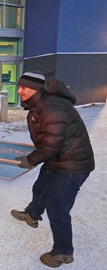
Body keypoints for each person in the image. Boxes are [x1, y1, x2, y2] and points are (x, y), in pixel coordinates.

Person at [11, 71, 95, 268]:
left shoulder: (51, 106)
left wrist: (31, 160)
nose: (20, 90)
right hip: (59, 159)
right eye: (19, 86)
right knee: (41, 187)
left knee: (57, 207)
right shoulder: (40, 103)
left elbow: (52, 144)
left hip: (73, 164)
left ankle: (64, 252)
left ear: (37, 88)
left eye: (25, 87)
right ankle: (32, 214)